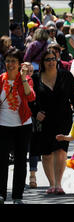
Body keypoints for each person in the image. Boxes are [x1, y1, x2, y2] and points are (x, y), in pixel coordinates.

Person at [29, 50, 74, 195]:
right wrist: (35, 112)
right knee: (47, 153)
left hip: (63, 118)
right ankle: (50, 184)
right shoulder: (36, 78)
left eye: (53, 59)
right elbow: (30, 99)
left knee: (61, 150)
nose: (51, 62)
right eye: (47, 59)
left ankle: (58, 183)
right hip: (44, 120)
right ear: (42, 62)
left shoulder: (66, 75)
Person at [0, 48, 35, 204]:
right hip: (3, 125)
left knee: (20, 161)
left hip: (22, 125)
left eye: (13, 61)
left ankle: (17, 196)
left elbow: (31, 97)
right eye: (8, 60)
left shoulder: (26, 79)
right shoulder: (1, 79)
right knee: (1, 161)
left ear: (20, 63)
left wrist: (24, 78)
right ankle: (1, 194)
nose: (10, 64)